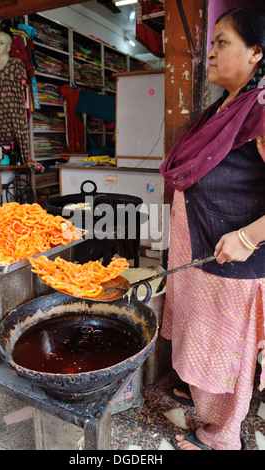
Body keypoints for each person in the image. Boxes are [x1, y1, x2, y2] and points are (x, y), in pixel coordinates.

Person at [159, 6, 265, 451]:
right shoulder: (224, 107)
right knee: (200, 342)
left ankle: (222, 439)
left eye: (223, 42)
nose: (211, 53)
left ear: (257, 52)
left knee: (223, 355)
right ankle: (202, 402)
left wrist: (248, 237)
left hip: (231, 260)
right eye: (212, 43)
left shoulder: (260, 112)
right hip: (198, 254)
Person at [0, 31, 43, 172]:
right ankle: (5, 156)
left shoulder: (16, 64)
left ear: (9, 47)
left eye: (2, 43)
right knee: (0, 132)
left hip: (14, 105)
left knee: (18, 131)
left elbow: (22, 88)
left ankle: (23, 157)